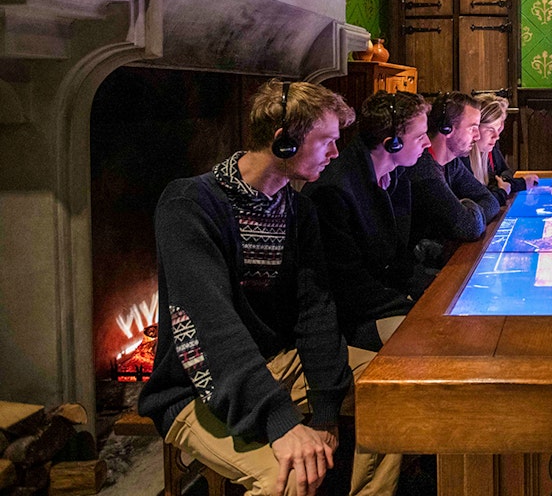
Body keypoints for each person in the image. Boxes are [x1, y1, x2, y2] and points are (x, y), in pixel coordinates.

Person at [138, 80, 400, 496]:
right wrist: (281, 423)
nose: (336, 153)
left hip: (277, 364)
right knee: (292, 480)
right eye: (327, 141)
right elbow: (211, 325)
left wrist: (325, 407)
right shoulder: (188, 204)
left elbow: (314, 309)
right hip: (197, 387)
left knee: (395, 396)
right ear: (283, 142)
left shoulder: (298, 209)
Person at [303, 90, 431, 351]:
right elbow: (350, 289)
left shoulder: (395, 177)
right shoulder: (334, 191)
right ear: (392, 143)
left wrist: (434, 295)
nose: (428, 143)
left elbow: (399, 260)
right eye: (419, 137)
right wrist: (416, 306)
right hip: (350, 322)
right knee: (436, 337)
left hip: (384, 302)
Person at [404, 91, 500, 287]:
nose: (478, 135)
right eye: (472, 127)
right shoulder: (424, 171)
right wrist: (467, 209)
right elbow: (469, 227)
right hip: (418, 275)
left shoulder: (451, 164)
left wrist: (466, 207)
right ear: (447, 128)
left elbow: (490, 200)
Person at [464, 93, 538, 206]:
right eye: (490, 129)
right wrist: (504, 190)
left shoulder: (487, 148)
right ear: (475, 129)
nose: (496, 136)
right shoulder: (461, 159)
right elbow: (481, 204)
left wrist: (505, 185)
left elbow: (504, 173)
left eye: (498, 129)